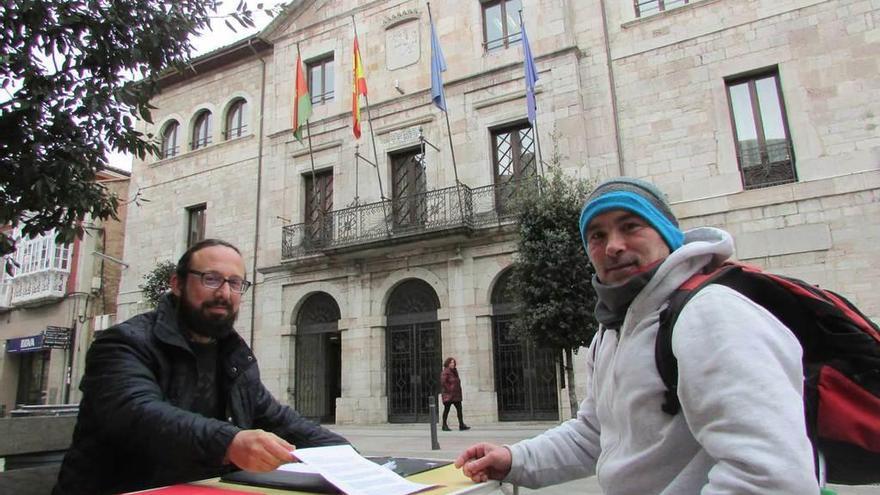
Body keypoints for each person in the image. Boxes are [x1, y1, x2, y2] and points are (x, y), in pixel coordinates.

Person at [455, 178, 819, 494]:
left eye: (630, 226)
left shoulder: (711, 315)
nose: (612, 245)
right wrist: (514, 459)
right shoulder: (614, 330)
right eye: (597, 235)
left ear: (666, 232)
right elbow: (594, 435)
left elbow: (771, 477)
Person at [53, 239, 349, 495]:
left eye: (235, 283)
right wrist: (230, 441)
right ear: (177, 284)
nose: (224, 293)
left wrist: (350, 457)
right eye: (211, 279)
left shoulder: (233, 356)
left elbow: (279, 419)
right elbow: (138, 414)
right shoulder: (123, 343)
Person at [440, 357, 470, 431]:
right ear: (448, 364)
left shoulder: (454, 371)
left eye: (453, 362)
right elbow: (443, 382)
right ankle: (444, 425)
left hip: (456, 395)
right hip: (449, 395)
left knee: (459, 409)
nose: (453, 364)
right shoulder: (445, 371)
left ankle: (461, 424)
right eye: (451, 363)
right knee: (446, 410)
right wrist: (449, 390)